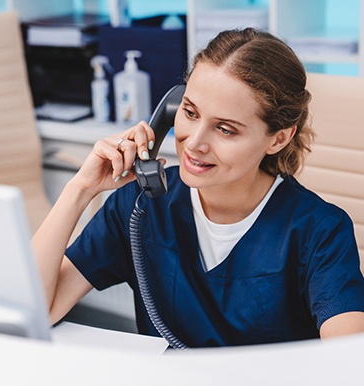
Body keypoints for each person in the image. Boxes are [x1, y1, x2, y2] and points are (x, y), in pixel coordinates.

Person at [33, 28, 364, 348]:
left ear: (278, 138)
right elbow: (38, 309)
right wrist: (81, 188)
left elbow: (348, 361)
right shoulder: (141, 204)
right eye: (189, 113)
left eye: (225, 129)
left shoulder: (319, 230)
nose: (194, 142)